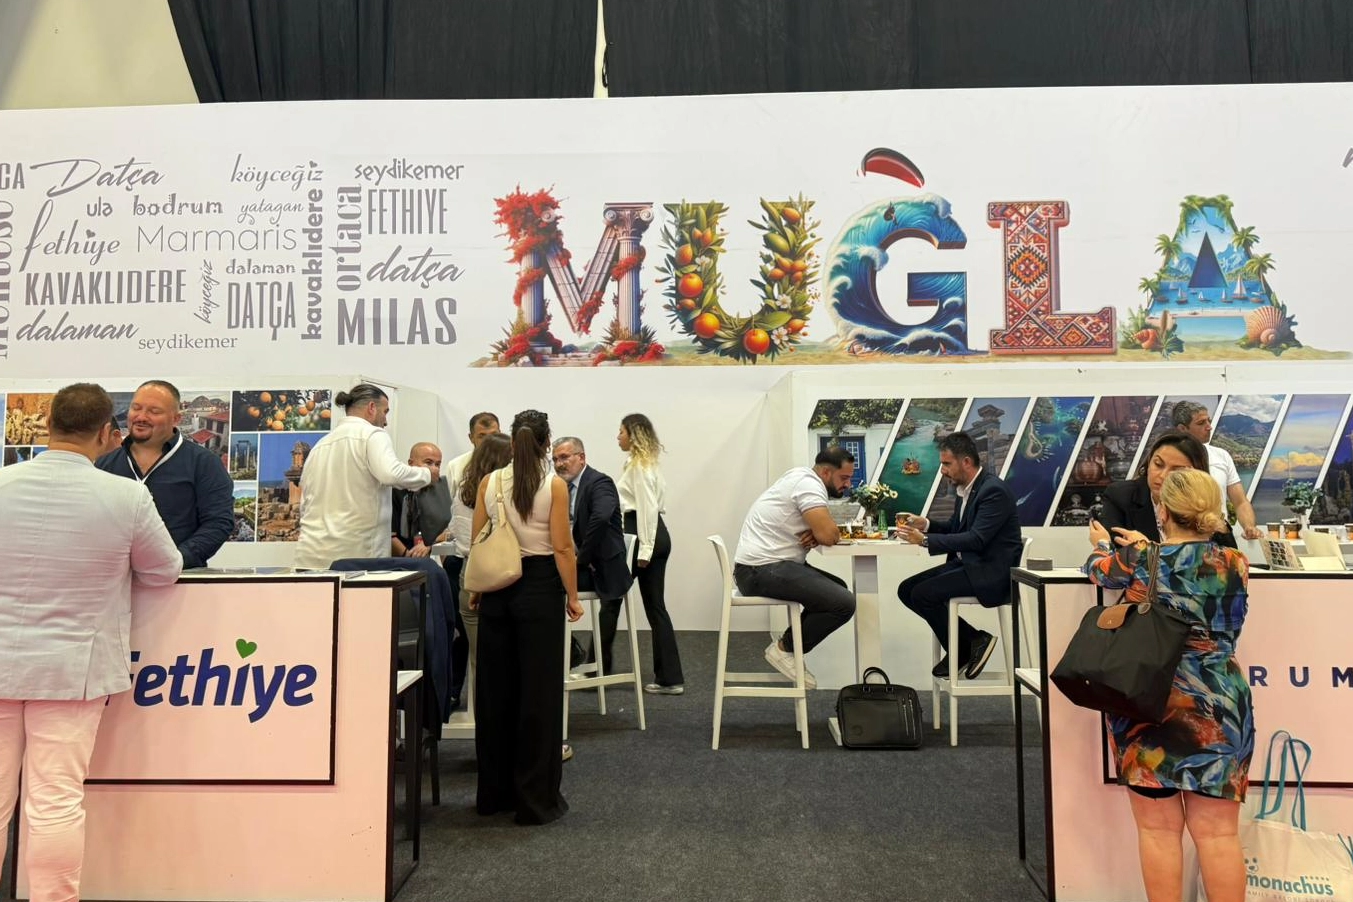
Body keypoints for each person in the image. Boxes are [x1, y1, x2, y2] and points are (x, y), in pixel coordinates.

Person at [0, 383, 183, 902]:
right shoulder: (125, 495)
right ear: (107, 433)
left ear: (48, 424)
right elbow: (165, 570)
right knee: (55, 801)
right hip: (72, 669)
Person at [1084, 468, 1252, 902]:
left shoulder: (1141, 559)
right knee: (1219, 835)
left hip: (1149, 701)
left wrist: (1103, 545)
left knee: (1157, 831)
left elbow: (1098, 571)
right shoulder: (1236, 562)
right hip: (1221, 703)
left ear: (1162, 511)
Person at [470, 409, 582, 825]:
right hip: (539, 588)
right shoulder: (553, 486)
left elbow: (477, 539)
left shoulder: (489, 482)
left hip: (497, 588)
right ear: (546, 442)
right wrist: (573, 596)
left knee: (496, 693)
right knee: (539, 694)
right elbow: (563, 548)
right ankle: (534, 799)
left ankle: (494, 794)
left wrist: (476, 589)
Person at [895, 431, 1023, 680]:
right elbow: (957, 529)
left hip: (990, 573)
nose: (942, 470)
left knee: (922, 594)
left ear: (966, 461)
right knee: (906, 590)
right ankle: (970, 642)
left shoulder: (993, 491)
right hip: (969, 565)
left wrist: (925, 541)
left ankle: (966, 646)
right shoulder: (967, 490)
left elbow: (976, 539)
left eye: (946, 464)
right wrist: (926, 524)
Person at [733, 446, 858, 689]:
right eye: (844, 478)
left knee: (838, 589)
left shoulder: (799, 476)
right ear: (825, 472)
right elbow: (829, 535)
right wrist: (821, 532)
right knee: (843, 602)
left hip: (759, 567)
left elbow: (823, 533)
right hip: (760, 570)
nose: (848, 484)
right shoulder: (809, 486)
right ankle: (784, 649)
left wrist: (817, 531)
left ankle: (788, 648)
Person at [294, 383, 435, 570]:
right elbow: (391, 474)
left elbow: (305, 503)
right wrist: (427, 474)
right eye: (385, 412)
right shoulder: (372, 435)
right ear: (371, 408)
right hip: (355, 559)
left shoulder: (320, 445)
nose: (386, 421)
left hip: (310, 558)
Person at [95, 380, 233, 569]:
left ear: (176, 419)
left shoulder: (204, 463)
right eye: (136, 408)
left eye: (154, 411)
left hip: (178, 579)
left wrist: (176, 560)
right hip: (115, 578)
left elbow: (218, 522)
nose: (141, 417)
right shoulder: (105, 464)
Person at [616, 414, 684, 695]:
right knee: (655, 607)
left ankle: (596, 668)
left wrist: (645, 549)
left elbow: (647, 509)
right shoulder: (645, 464)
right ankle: (670, 678)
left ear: (633, 435)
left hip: (644, 536)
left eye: (621, 432)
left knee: (610, 598)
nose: (617, 437)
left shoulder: (639, 468)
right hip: (653, 536)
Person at [552, 437, 632, 675]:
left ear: (581, 457)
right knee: (538, 585)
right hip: (582, 565)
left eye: (564, 457)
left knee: (546, 587)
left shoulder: (599, 482)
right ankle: (568, 653)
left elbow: (601, 517)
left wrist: (580, 560)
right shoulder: (560, 487)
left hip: (603, 569)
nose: (559, 464)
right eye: (555, 459)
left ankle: (574, 657)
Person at [450, 433, 512, 697]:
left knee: (479, 659)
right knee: (509, 657)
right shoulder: (505, 493)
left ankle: (483, 716)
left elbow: (461, 535)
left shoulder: (463, 491)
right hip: (505, 575)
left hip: (471, 572)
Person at [1171, 400, 1263, 547]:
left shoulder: (1222, 456)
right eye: (1201, 423)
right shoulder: (1169, 461)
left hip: (1221, 535)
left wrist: (1249, 526)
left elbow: (1240, 502)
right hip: (1183, 539)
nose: (1209, 427)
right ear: (1182, 428)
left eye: (1209, 421)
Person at [1099, 431, 1209, 544]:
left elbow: (1216, 550)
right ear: (1149, 462)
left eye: (1177, 471)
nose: (1163, 476)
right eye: (1158, 464)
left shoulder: (1204, 501)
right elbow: (1112, 549)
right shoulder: (1120, 496)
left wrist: (1147, 550)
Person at [391, 442, 452, 558]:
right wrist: (409, 556)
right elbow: (389, 535)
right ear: (411, 464)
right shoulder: (396, 491)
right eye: (428, 463)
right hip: (402, 557)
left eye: (438, 464)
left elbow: (450, 529)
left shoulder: (442, 489)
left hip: (433, 555)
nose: (434, 469)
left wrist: (429, 544)